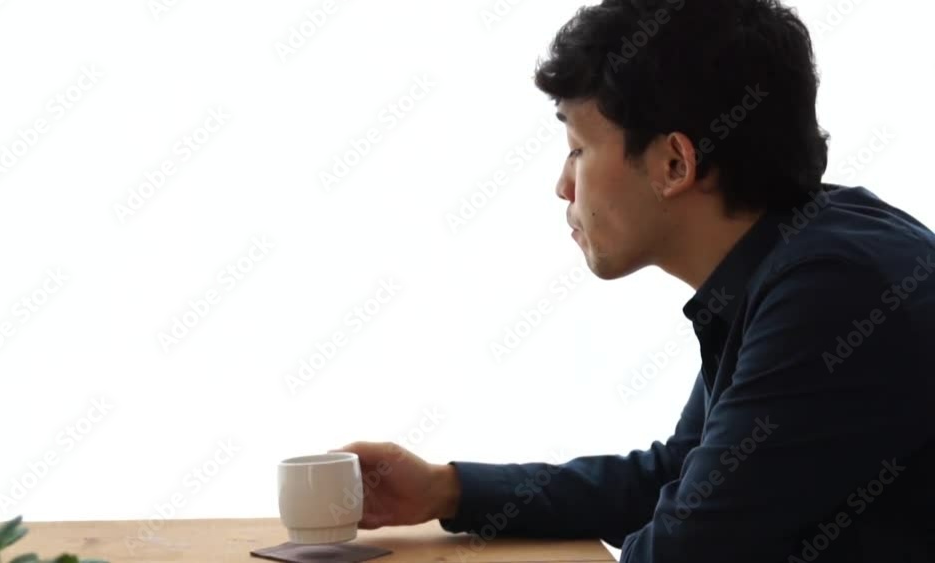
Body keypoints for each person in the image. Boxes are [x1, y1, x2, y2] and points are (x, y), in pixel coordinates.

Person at [336, 0, 935, 560]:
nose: (563, 186)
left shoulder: (833, 292)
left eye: (578, 149)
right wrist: (445, 490)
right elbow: (679, 476)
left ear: (674, 163)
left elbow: (683, 549)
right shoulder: (804, 253)